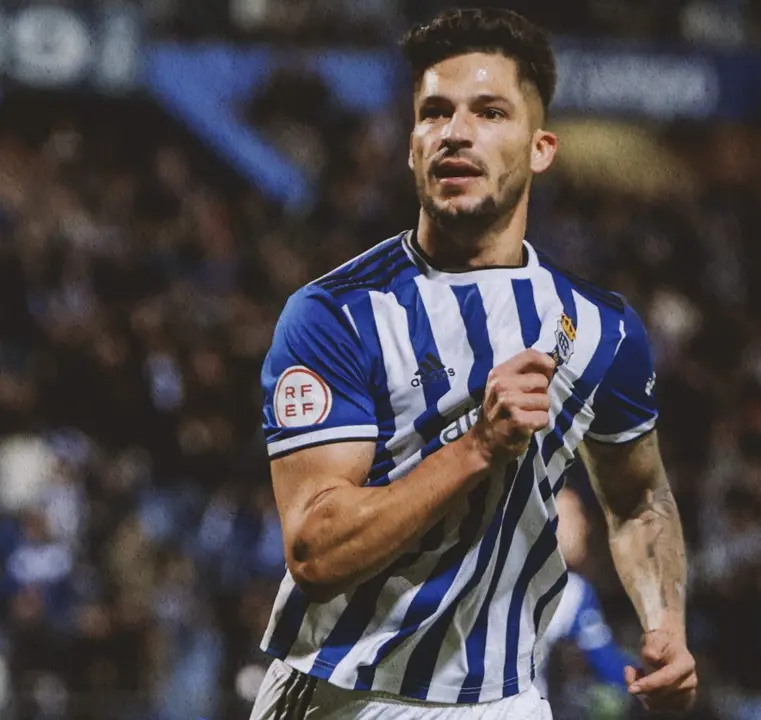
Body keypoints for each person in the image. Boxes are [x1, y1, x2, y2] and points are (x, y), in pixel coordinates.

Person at [250, 7, 698, 719]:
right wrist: (478, 446)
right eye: (434, 113)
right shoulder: (335, 313)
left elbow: (640, 501)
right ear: (410, 145)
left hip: (505, 700)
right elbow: (315, 551)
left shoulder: (599, 330)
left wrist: (663, 623)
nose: (456, 132)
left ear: (540, 147)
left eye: (489, 112)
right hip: (343, 692)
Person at [538, 487, 632, 697]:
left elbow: (608, 663)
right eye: (574, 513)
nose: (584, 525)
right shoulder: (568, 592)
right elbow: (608, 665)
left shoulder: (570, 591)